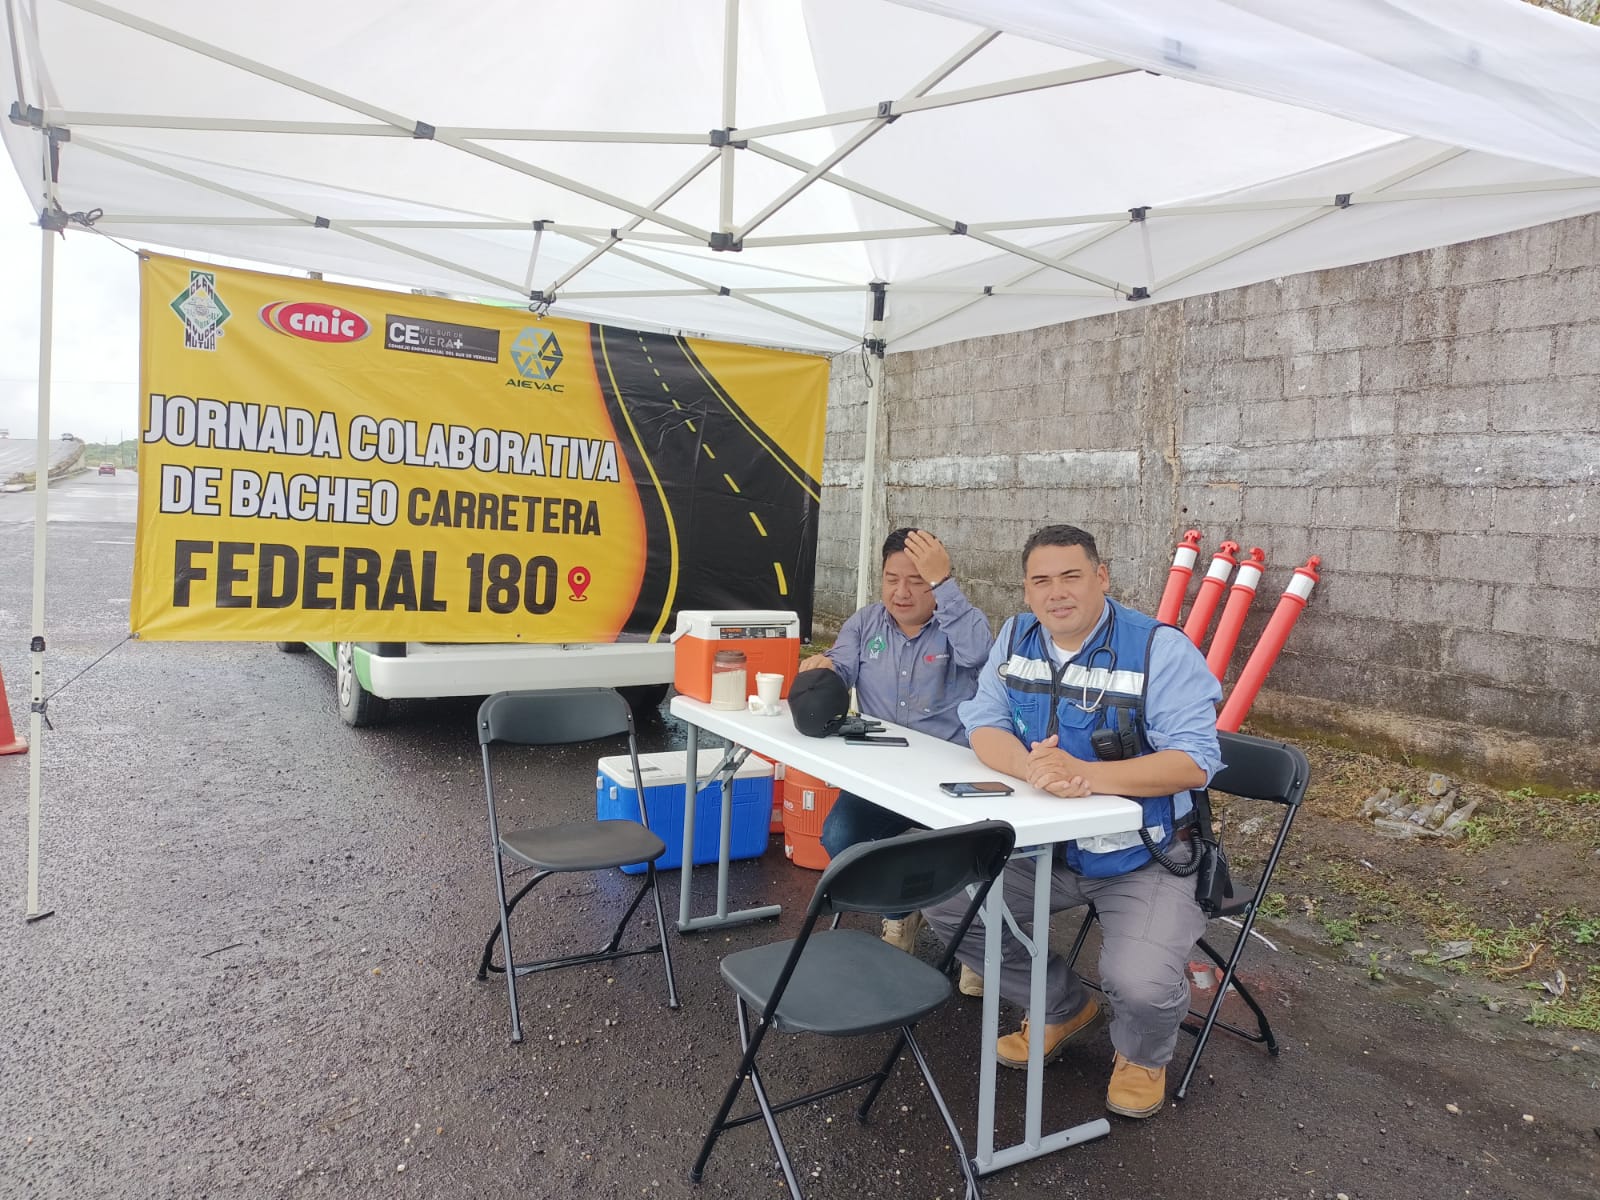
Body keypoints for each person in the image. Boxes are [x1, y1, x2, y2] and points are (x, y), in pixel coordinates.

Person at [922, 523, 1223, 1119]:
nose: (1056, 592)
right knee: (948, 902)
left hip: (1146, 855)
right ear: (1026, 590)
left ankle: (1141, 1054)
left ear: (1101, 577)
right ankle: (1061, 1007)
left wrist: (1083, 773)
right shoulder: (1016, 636)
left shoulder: (1158, 649)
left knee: (1138, 981)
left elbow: (1194, 762)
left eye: (1071, 576)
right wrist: (1034, 771)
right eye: (1041, 581)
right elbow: (984, 723)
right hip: (1046, 849)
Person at [800, 528, 991, 976]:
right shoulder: (865, 623)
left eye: (917, 581)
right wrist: (823, 670)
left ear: (937, 581)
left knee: (976, 855)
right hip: (883, 775)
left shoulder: (962, 624)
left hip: (951, 779)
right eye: (891, 579)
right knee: (839, 837)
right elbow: (841, 667)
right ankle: (901, 913)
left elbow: (981, 654)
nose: (901, 592)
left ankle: (974, 941)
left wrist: (945, 587)